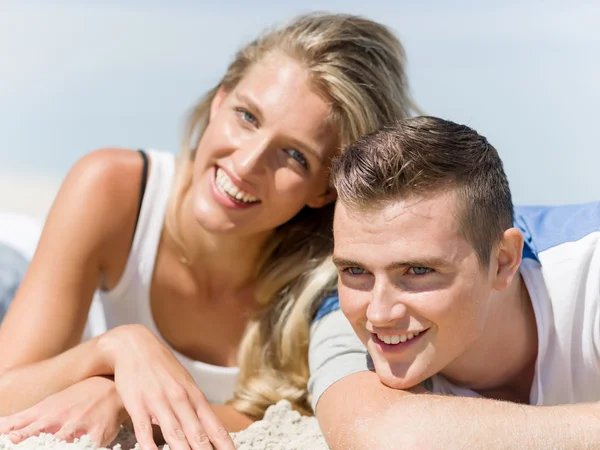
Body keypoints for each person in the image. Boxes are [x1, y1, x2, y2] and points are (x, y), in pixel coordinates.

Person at [0, 13, 419, 450]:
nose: (246, 164)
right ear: (219, 101)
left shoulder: (327, 280)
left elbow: (283, 413)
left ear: (325, 190)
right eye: (247, 116)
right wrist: (117, 349)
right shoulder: (111, 188)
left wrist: (124, 397)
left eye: (294, 155)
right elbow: (6, 392)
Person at [309, 116, 600, 448]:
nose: (378, 314)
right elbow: (382, 436)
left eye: (417, 271)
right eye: (355, 270)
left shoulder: (589, 267)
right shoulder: (340, 317)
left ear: (503, 261)